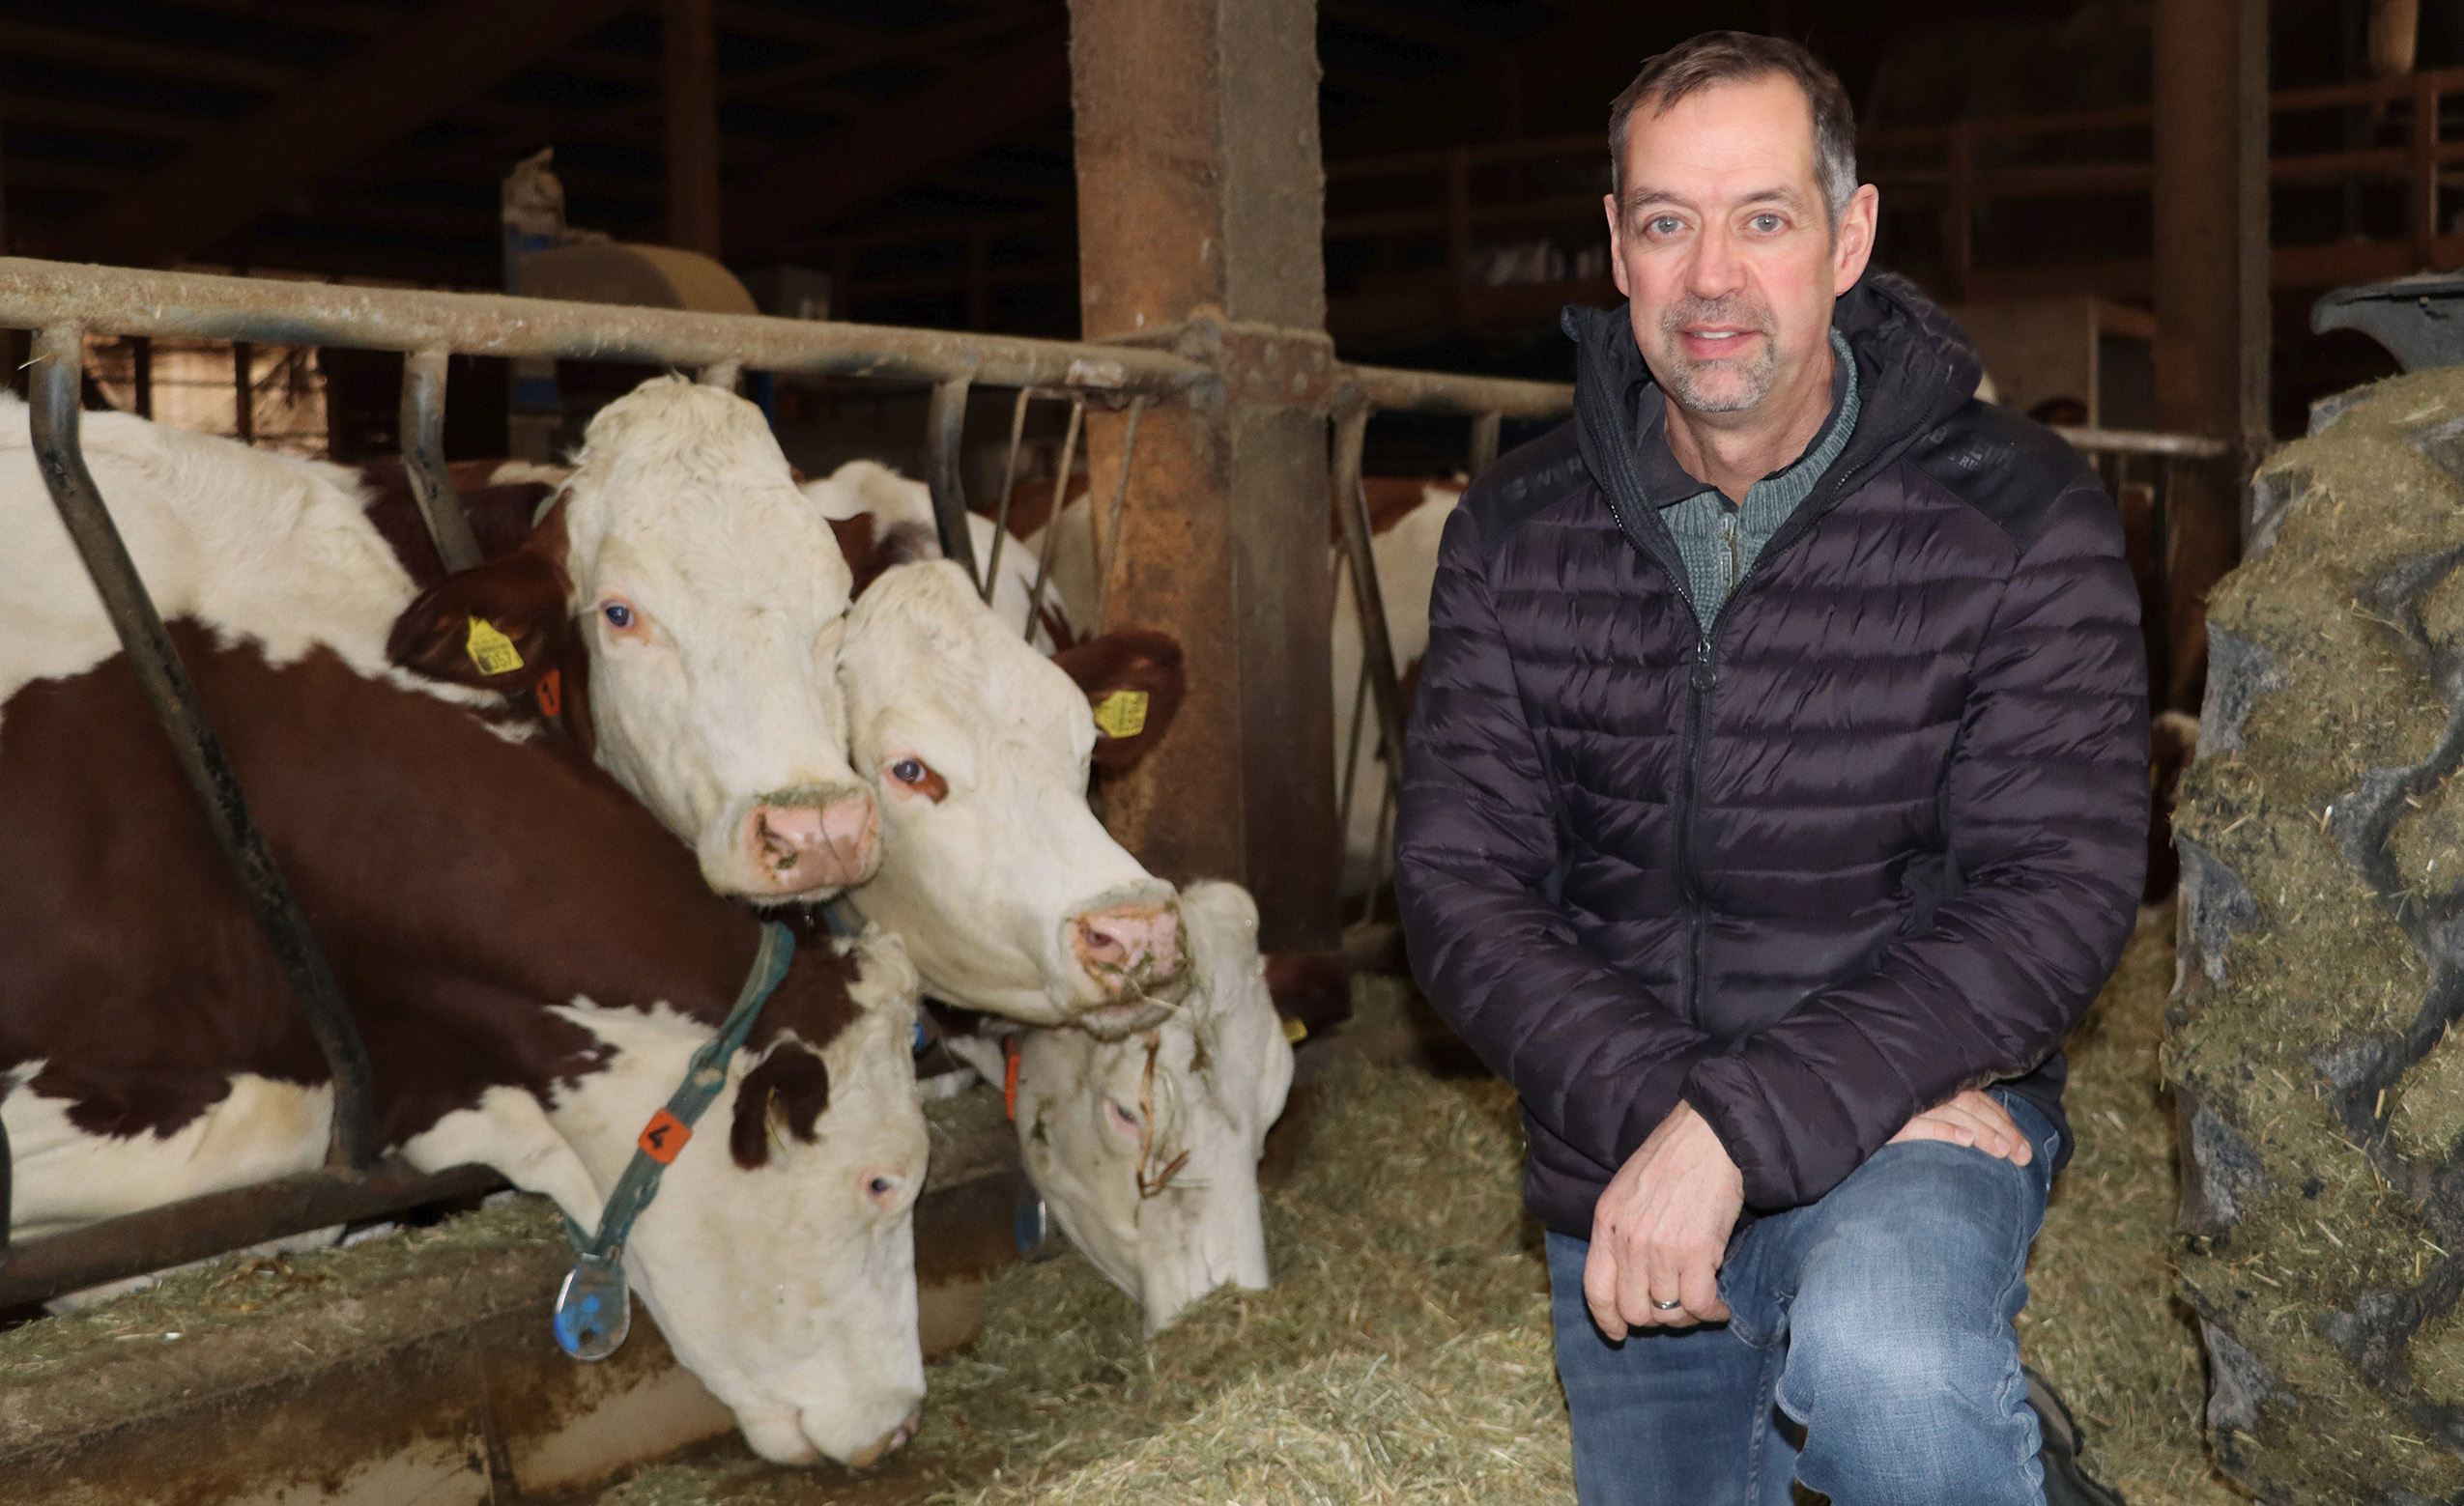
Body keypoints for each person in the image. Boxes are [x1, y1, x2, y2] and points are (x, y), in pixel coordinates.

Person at [1392, 31, 2148, 1506]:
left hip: (1903, 1122)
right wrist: (1697, 1123)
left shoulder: (2017, 517)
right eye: (1667, 222)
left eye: (1763, 219)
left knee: (1886, 1364)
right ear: (1615, 250)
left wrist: (1762, 1119)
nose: (1712, 278)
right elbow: (1460, 889)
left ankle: (1956, 1433)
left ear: (1848, 237)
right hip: (1627, 1136)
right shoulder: (1512, 531)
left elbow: (2052, 888)